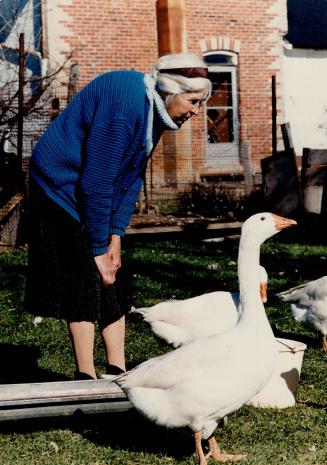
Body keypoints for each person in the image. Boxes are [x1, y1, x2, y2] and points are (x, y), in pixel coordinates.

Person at [25, 52, 212, 381]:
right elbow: (96, 183)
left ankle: (118, 372)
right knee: (82, 274)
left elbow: (130, 178)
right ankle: (86, 375)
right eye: (194, 101)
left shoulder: (152, 111)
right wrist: (98, 248)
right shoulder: (126, 106)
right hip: (58, 183)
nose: (196, 112)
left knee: (114, 277)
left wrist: (115, 237)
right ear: (172, 91)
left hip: (89, 183)